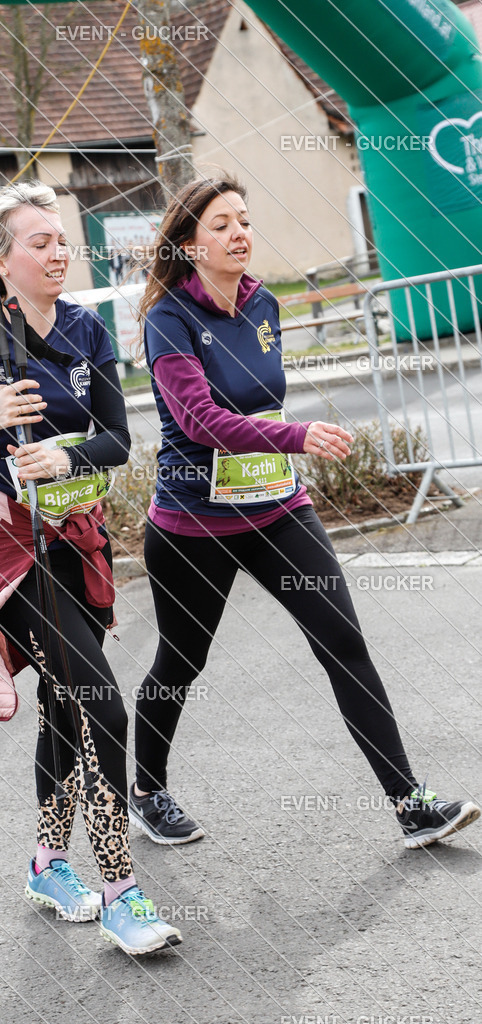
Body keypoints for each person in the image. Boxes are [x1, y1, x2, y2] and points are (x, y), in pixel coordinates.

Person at [129, 174, 480, 851]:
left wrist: (284, 450)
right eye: (222, 224)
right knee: (181, 661)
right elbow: (201, 422)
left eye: (244, 220)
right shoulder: (168, 318)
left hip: (279, 508)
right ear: (190, 244)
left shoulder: (263, 305)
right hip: (194, 523)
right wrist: (298, 437)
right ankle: (147, 790)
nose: (239, 233)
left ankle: (412, 804)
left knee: (344, 645)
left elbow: (258, 403)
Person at [0, 181, 181, 955]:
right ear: (2, 261)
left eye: (63, 240)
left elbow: (117, 441)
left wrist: (64, 450)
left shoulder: (86, 330)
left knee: (66, 708)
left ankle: (45, 864)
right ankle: (121, 894)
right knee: (100, 701)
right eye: (41, 242)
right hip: (12, 545)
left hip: (78, 537)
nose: (59, 252)